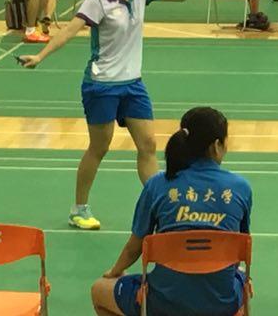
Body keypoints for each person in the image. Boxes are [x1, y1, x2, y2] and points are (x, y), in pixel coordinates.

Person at [20, 0, 188, 230]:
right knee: (99, 147)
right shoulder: (98, 0)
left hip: (133, 83)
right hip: (102, 85)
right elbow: (69, 31)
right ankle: (79, 209)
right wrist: (40, 56)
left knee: (148, 144)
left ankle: (160, 206)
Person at [90, 106, 252, 316]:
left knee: (99, 289)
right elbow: (240, 248)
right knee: (240, 275)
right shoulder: (240, 188)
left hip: (162, 303)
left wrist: (115, 272)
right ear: (216, 146)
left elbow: (134, 247)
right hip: (223, 303)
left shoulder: (157, 184)